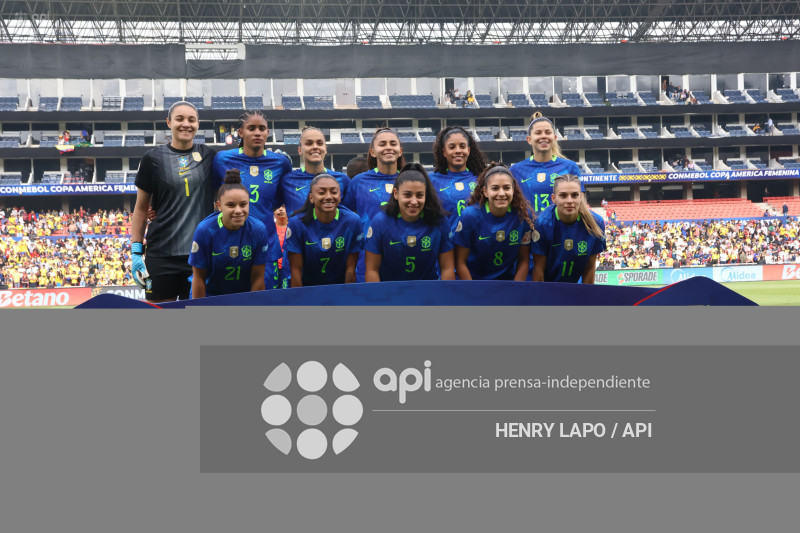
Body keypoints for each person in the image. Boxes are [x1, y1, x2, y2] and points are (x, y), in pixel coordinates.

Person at [131, 101, 216, 302]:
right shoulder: (152, 158)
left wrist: (266, 156)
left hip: (199, 256)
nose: (186, 124)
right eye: (179, 119)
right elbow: (141, 208)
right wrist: (136, 252)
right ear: (169, 122)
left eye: (191, 119)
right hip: (160, 256)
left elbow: (234, 181)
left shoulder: (210, 156)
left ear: (198, 124)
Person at [212, 109, 292, 288]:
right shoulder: (222, 159)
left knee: (265, 307)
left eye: (262, 128)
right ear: (241, 132)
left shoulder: (280, 163)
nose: (257, 133)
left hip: (266, 246)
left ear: (268, 132)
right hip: (229, 245)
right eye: (251, 128)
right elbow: (211, 192)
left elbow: (279, 199)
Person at [188, 169, 276, 297]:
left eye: (243, 204)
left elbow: (257, 277)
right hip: (210, 296)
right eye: (231, 205)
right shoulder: (205, 230)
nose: (238, 210)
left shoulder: (258, 229)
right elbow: (199, 277)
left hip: (242, 297)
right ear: (219, 206)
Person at [365, 163, 454, 282]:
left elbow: (447, 268)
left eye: (419, 195)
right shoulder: (380, 222)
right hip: (390, 294)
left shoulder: (440, 221)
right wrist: (378, 299)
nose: (414, 201)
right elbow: (372, 270)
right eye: (407, 195)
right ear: (396, 194)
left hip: (428, 293)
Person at [342, 128, 407, 281]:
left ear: (400, 150)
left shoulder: (409, 180)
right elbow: (347, 219)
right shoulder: (358, 182)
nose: (388, 147)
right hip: (366, 258)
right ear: (372, 151)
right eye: (382, 144)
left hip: (403, 254)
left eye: (393, 143)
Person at [453, 163, 534, 281]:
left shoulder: (524, 216)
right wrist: (473, 291)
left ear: (513, 190)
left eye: (506, 187)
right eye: (495, 188)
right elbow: (460, 262)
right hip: (475, 282)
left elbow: (523, 260)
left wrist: (516, 289)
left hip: (507, 283)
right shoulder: (470, 216)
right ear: (485, 191)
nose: (501, 193)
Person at [285, 173, 363, 287]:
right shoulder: (296, 223)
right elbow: (296, 271)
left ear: (340, 196)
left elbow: (350, 270)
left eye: (334, 192)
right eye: (321, 193)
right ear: (311, 198)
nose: (328, 196)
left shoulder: (353, 221)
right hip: (308, 288)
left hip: (339, 287)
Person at [531, 174, 606, 284]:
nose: (569, 200)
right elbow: (539, 269)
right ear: (553, 198)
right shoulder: (542, 223)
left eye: (574, 195)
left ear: (581, 197)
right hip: (548, 288)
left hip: (576, 288)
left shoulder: (596, 223)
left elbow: (590, 268)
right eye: (563, 195)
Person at [510, 114, 582, 215]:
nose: (543, 136)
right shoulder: (515, 170)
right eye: (538, 133)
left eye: (548, 132)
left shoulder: (570, 167)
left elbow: (581, 204)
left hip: (559, 230)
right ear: (529, 139)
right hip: (529, 229)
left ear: (555, 137)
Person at [429, 126, 487, 234]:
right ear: (444, 152)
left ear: (468, 150)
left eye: (462, 146)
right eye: (452, 147)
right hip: (447, 246)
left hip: (475, 246)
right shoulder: (431, 180)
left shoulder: (482, 179)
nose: (458, 151)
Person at [280, 126, 350, 217]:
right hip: (297, 231)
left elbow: (351, 214)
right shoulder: (287, 181)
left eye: (319, 143)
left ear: (325, 149)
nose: (315, 147)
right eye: (309, 143)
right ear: (300, 150)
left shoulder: (342, 180)